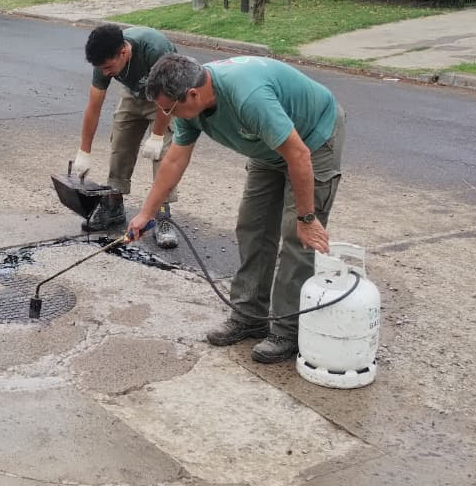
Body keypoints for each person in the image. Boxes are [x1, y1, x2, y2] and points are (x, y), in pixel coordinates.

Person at [128, 54, 345, 364]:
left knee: (297, 235)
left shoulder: (249, 98)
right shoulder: (189, 105)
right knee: (252, 225)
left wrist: (307, 218)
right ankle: (249, 316)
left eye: (169, 109)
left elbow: (298, 155)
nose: (166, 115)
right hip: (268, 147)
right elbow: (175, 159)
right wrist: (147, 213)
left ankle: (287, 330)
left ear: (193, 95)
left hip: (312, 138)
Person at [74, 24, 182, 249]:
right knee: (120, 140)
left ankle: (162, 214)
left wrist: (157, 136)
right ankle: (114, 205)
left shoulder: (156, 50)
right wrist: (84, 151)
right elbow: (94, 105)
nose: (105, 73)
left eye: (108, 67)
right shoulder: (104, 59)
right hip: (133, 94)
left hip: (165, 95)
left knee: (163, 152)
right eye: (101, 68)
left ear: (123, 52)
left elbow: (169, 98)